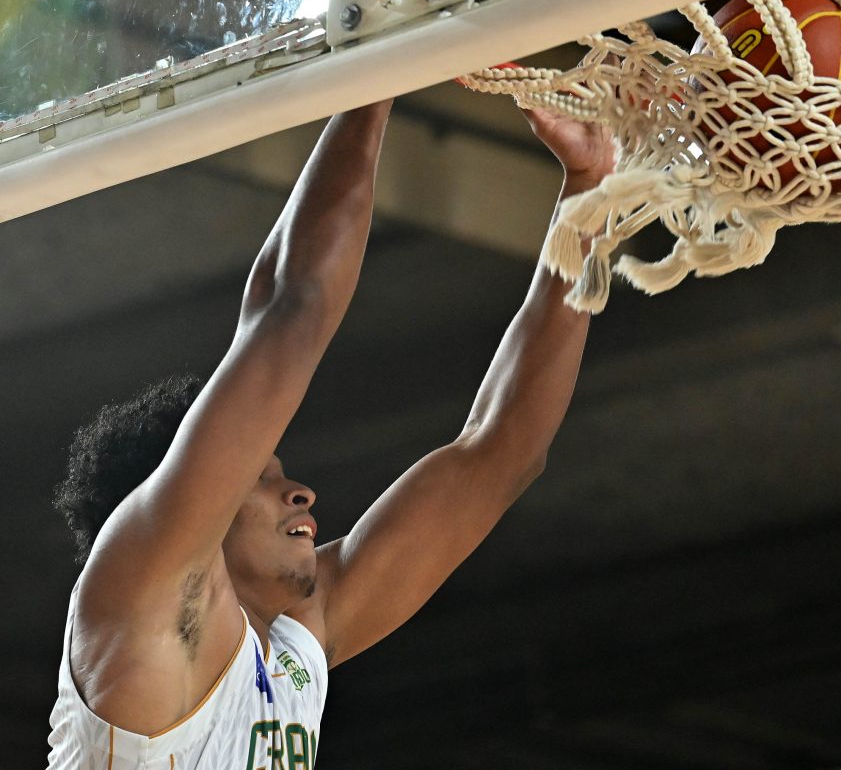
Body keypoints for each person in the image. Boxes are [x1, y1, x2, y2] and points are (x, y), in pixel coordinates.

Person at [47, 98, 616, 768]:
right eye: (262, 477)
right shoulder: (141, 595)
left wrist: (590, 190)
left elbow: (502, 451)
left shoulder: (291, 642)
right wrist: (376, 72)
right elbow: (289, 309)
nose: (300, 493)